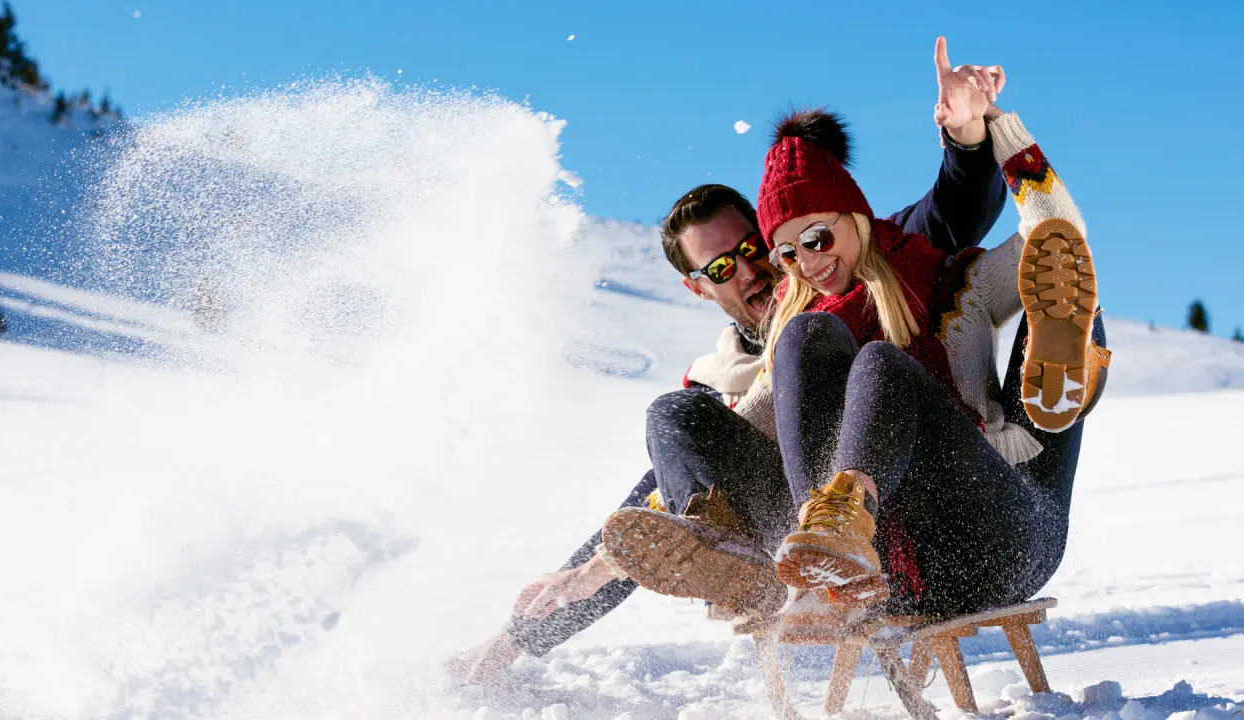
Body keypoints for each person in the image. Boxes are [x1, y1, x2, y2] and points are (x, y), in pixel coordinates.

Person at [451, 38, 1012, 684]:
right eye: (720, 267)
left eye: (754, 248)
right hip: (778, 529)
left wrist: (967, 138)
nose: (749, 271)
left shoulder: (854, 271)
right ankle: (746, 567)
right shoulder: (718, 382)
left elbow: (952, 210)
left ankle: (822, 551)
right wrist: (518, 636)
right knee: (672, 419)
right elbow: (655, 511)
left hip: (890, 513)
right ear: (698, 286)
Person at [601, 45, 1108, 630]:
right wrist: (593, 571)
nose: (805, 263)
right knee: (679, 411)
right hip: (885, 573)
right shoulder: (802, 329)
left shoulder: (948, 281)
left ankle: (1062, 342)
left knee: (882, 364)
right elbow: (748, 426)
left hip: (989, 536)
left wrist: (992, 127)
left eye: (817, 238)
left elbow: (1058, 238)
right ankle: (786, 558)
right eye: (787, 252)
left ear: (856, 216)